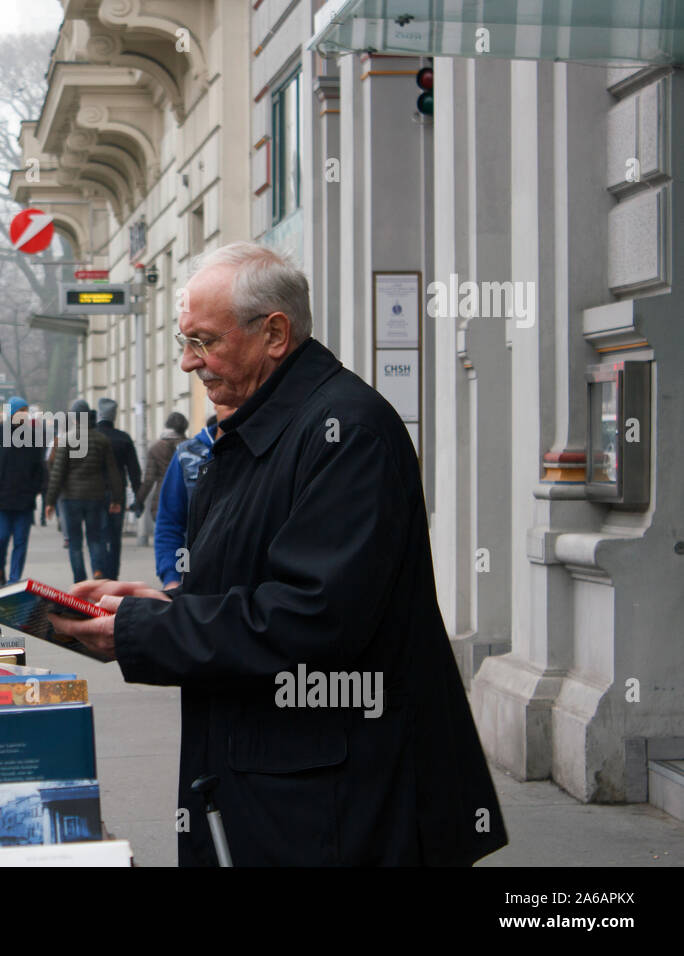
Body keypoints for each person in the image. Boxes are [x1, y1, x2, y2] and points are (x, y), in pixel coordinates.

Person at [49, 242, 506, 867]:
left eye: (204, 341)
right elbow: (258, 578)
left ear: (274, 333)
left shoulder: (345, 432)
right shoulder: (264, 424)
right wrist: (161, 601)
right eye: (186, 342)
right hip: (289, 778)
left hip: (334, 799)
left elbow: (312, 617)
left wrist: (138, 633)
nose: (188, 362)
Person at [44, 399, 123, 582]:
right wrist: (116, 499)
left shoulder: (66, 440)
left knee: (75, 542)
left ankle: (80, 580)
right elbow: (112, 471)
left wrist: (50, 501)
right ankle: (97, 571)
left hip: (70, 498)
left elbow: (58, 473)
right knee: (95, 538)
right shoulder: (101, 439)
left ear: (74, 418)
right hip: (95, 496)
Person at [152, 410, 233, 588]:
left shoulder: (272, 448)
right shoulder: (187, 452)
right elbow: (173, 525)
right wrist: (175, 578)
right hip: (196, 583)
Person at [0, 397, 46, 586]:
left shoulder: (33, 437)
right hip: (1, 498)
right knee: (0, 538)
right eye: (20, 410)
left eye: (26, 410)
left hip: (24, 500)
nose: (24, 414)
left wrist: (35, 488)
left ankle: (14, 580)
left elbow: (39, 467)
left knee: (21, 542)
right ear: (12, 413)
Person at [95, 398, 142, 580]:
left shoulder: (91, 436)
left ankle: (99, 569)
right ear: (114, 416)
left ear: (99, 414)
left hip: (95, 494)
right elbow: (134, 470)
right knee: (115, 537)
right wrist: (138, 496)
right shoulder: (123, 438)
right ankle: (112, 576)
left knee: (97, 534)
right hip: (117, 494)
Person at [135, 411, 188, 547]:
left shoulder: (156, 449)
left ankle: (171, 567)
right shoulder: (191, 446)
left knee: (167, 544)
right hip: (186, 499)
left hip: (163, 500)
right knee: (186, 543)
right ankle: (185, 566)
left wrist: (138, 501)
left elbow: (149, 480)